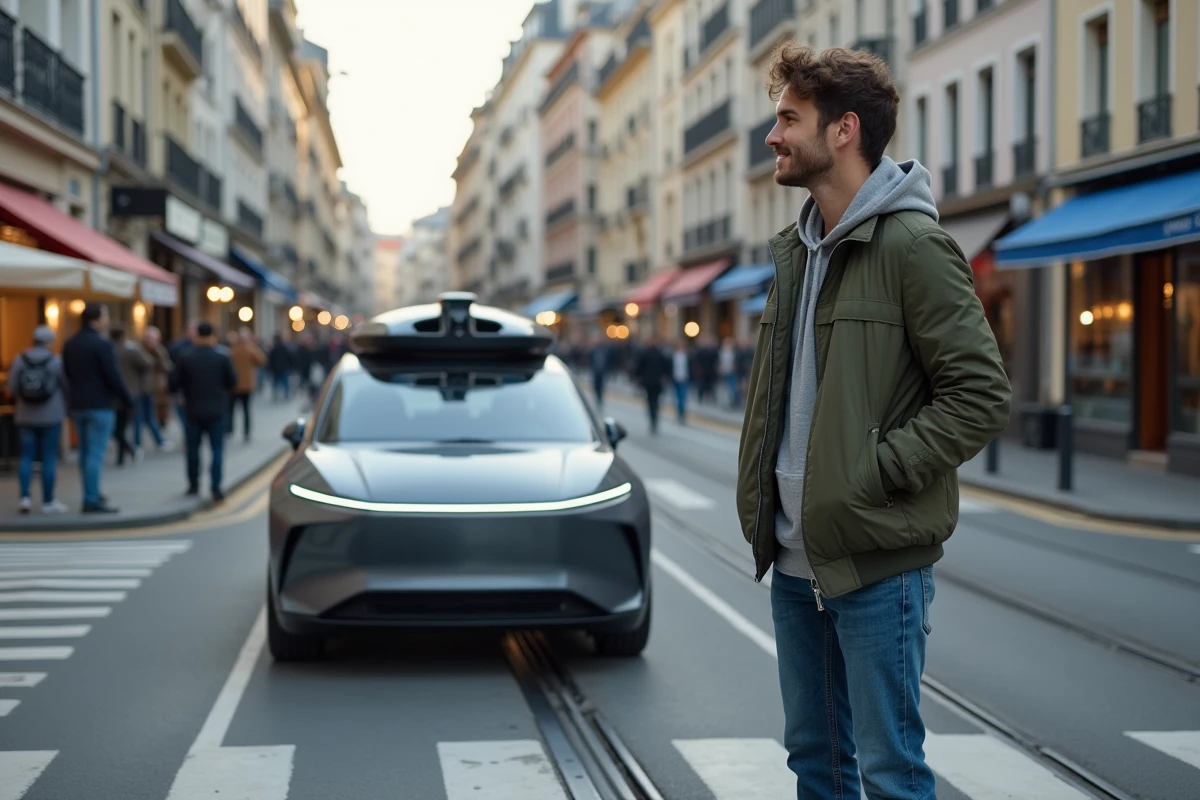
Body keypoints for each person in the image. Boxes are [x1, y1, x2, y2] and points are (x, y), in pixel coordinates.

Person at [736, 45, 1011, 800]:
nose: (774, 136)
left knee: (890, 771)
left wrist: (877, 474)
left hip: (876, 564)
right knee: (816, 765)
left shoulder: (913, 246)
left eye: (789, 118)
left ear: (844, 130)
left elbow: (982, 392)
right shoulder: (797, 251)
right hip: (795, 562)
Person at [62, 303, 133, 513]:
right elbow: (113, 376)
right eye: (105, 316)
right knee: (95, 453)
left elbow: (67, 374)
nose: (107, 320)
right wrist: (126, 399)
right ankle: (91, 498)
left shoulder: (70, 343)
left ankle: (91, 492)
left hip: (77, 404)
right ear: (96, 319)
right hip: (99, 404)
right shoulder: (102, 344)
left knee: (85, 452)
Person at [170, 321, 237, 502]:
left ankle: (193, 485)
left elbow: (175, 383)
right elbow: (232, 381)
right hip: (216, 410)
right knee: (217, 449)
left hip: (193, 410)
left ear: (197, 335)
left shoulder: (186, 356)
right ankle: (216, 487)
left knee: (193, 449)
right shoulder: (222, 356)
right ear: (212, 335)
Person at [7, 325, 69, 514]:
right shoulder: (56, 361)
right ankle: (48, 501)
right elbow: (66, 385)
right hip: (51, 415)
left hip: (25, 415)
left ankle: (24, 498)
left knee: (26, 457)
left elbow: (12, 387)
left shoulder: (20, 359)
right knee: (48, 458)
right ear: (50, 342)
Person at [110, 327, 150, 465]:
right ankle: (130, 449)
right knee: (125, 425)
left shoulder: (108, 349)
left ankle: (123, 454)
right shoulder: (130, 349)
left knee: (116, 427)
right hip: (130, 391)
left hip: (112, 393)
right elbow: (147, 363)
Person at [135, 326, 173, 453]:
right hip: (138, 388)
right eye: (149, 338)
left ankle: (159, 441)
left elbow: (166, 367)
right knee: (138, 418)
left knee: (150, 417)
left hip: (151, 389)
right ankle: (137, 444)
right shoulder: (138, 350)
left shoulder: (159, 351)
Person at [228, 327, 266, 442]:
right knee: (246, 410)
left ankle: (230, 429)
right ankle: (246, 432)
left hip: (234, 384)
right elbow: (262, 360)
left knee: (231, 409)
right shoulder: (250, 349)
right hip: (246, 385)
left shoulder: (233, 349)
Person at [633, 335, 670, 435]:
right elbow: (640, 367)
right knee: (652, 401)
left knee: (653, 401)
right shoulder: (647, 353)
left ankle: (654, 418)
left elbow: (666, 367)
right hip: (650, 382)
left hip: (654, 382)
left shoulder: (659, 353)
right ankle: (653, 418)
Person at [267, 334, 293, 401]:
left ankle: (276, 395)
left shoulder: (273, 349)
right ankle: (286, 394)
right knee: (285, 383)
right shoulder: (284, 348)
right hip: (284, 368)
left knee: (276, 383)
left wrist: (270, 368)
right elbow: (289, 357)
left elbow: (270, 360)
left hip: (276, 369)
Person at [670, 339, 690, 424]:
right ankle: (679, 412)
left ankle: (682, 413)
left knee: (683, 397)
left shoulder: (687, 356)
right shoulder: (673, 356)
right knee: (677, 398)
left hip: (684, 379)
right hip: (675, 379)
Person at [588, 332, 610, 408]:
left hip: (602, 371)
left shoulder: (605, 349)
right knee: (595, 386)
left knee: (601, 386)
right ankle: (597, 398)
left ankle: (600, 398)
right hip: (595, 371)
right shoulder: (593, 350)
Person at [718, 337, 739, 407]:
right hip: (725, 371)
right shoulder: (722, 352)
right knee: (725, 387)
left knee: (733, 387)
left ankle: (733, 400)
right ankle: (727, 401)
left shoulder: (734, 352)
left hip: (732, 372)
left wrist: (735, 366)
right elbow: (719, 361)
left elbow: (737, 361)